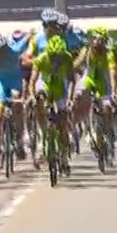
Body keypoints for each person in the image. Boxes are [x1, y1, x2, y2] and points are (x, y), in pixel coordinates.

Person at [28, 35, 76, 172]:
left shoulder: (67, 58)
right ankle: (42, 133)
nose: (56, 60)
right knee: (40, 97)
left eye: (58, 56)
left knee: (62, 123)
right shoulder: (41, 59)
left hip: (60, 87)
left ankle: (64, 157)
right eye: (53, 56)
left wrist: (70, 100)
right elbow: (32, 81)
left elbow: (72, 80)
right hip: (44, 84)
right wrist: (32, 96)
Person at [0, 33, 26, 169]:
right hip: (1, 84)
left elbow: (28, 38)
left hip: (15, 82)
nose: (0, 52)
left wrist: (30, 34)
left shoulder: (15, 50)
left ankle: (20, 141)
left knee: (17, 108)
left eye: (2, 49)